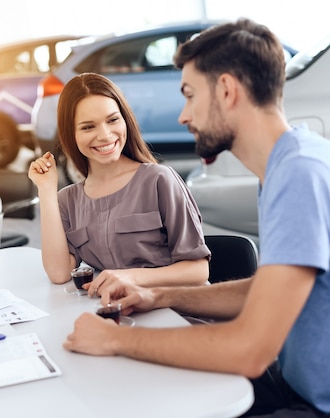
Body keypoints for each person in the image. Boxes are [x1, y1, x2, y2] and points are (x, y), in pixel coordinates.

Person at [63, 19, 330, 417]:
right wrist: (159, 295)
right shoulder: (287, 164)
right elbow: (268, 290)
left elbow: (250, 350)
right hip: (290, 384)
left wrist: (114, 341)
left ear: (226, 90)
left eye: (189, 95)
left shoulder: (298, 174)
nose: (183, 116)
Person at [28, 72, 210, 290]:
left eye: (112, 120)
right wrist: (46, 191)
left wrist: (130, 278)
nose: (105, 135)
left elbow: (198, 270)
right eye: (88, 127)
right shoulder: (67, 200)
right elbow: (59, 273)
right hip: (121, 314)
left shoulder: (159, 180)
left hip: (177, 312)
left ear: (125, 120)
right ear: (71, 135)